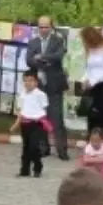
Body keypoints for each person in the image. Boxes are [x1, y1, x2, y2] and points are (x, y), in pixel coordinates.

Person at [25, 17, 69, 159]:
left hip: (54, 85)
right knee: (40, 117)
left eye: (46, 27)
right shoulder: (33, 42)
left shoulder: (58, 40)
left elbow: (58, 56)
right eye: (41, 27)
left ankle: (61, 149)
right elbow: (29, 60)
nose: (43, 29)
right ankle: (44, 148)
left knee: (56, 118)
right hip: (39, 86)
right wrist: (43, 62)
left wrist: (42, 57)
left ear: (51, 27)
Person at [79, 27, 103, 135]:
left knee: (100, 115)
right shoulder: (90, 50)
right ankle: (91, 140)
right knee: (91, 114)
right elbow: (88, 68)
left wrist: (95, 80)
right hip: (93, 86)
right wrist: (84, 79)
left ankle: (102, 141)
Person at [10, 70, 49, 178]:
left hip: (36, 123)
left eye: (31, 80)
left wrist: (42, 120)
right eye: (25, 81)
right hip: (25, 123)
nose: (28, 83)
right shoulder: (22, 94)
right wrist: (16, 123)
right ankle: (24, 170)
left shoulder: (41, 95)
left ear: (36, 82)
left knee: (34, 146)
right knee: (26, 147)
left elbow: (44, 109)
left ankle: (37, 167)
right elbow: (20, 110)